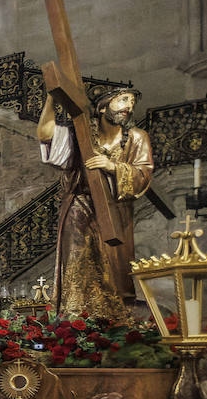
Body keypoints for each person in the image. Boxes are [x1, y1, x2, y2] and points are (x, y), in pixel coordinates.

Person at [37, 86, 153, 322]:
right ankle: (76, 318)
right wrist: (51, 97)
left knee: (114, 266)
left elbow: (143, 174)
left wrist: (112, 167)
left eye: (131, 102)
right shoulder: (82, 134)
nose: (128, 107)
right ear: (102, 107)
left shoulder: (137, 137)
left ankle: (115, 318)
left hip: (116, 211)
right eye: (122, 100)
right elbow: (45, 134)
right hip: (80, 207)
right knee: (78, 263)